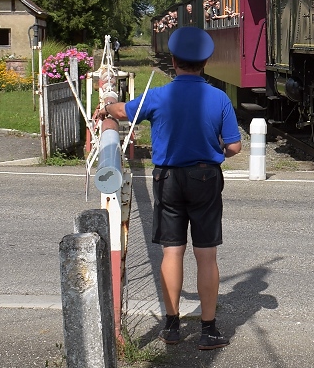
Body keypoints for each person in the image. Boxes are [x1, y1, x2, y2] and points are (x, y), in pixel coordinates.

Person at [95, 26, 242, 349]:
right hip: (205, 178)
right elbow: (234, 147)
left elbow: (121, 111)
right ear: (206, 62)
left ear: (173, 61)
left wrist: (105, 109)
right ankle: (208, 330)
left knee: (172, 251)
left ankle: (172, 326)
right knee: (206, 255)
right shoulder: (219, 98)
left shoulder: (158, 95)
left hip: (168, 180)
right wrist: (214, 148)